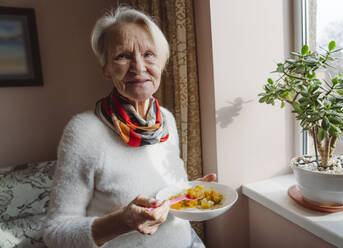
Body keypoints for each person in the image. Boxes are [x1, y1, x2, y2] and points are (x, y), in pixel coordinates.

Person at [42, 6, 216, 248]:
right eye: (123, 56)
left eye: (148, 54)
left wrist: (190, 193)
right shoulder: (83, 132)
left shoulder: (166, 119)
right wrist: (122, 222)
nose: (139, 67)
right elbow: (54, 233)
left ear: (162, 61)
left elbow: (163, 194)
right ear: (106, 68)